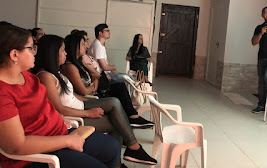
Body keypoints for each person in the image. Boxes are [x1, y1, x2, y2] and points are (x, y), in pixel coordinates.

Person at [0, 24, 120, 168]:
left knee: (112, 147)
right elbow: (17, 146)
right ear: (14, 55)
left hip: (58, 134)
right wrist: (67, 141)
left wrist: (60, 120)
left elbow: (45, 106)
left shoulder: (27, 77)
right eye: (31, 48)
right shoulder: (3, 93)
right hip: (35, 155)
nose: (35, 52)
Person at [33, 35, 157, 166]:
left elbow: (72, 95)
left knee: (115, 106)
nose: (65, 53)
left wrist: (95, 100)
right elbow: (60, 108)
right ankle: (128, 152)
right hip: (74, 115)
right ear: (52, 53)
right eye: (62, 50)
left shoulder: (56, 72)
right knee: (117, 117)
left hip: (80, 105)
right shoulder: (46, 76)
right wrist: (89, 113)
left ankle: (125, 153)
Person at [62, 33, 154, 129]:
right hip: (92, 96)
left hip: (97, 87)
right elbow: (85, 90)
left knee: (120, 86)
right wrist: (96, 80)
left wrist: (95, 79)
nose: (85, 45)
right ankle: (131, 120)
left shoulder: (80, 62)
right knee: (123, 84)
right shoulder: (71, 67)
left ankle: (133, 117)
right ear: (74, 47)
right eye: (82, 44)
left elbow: (94, 76)